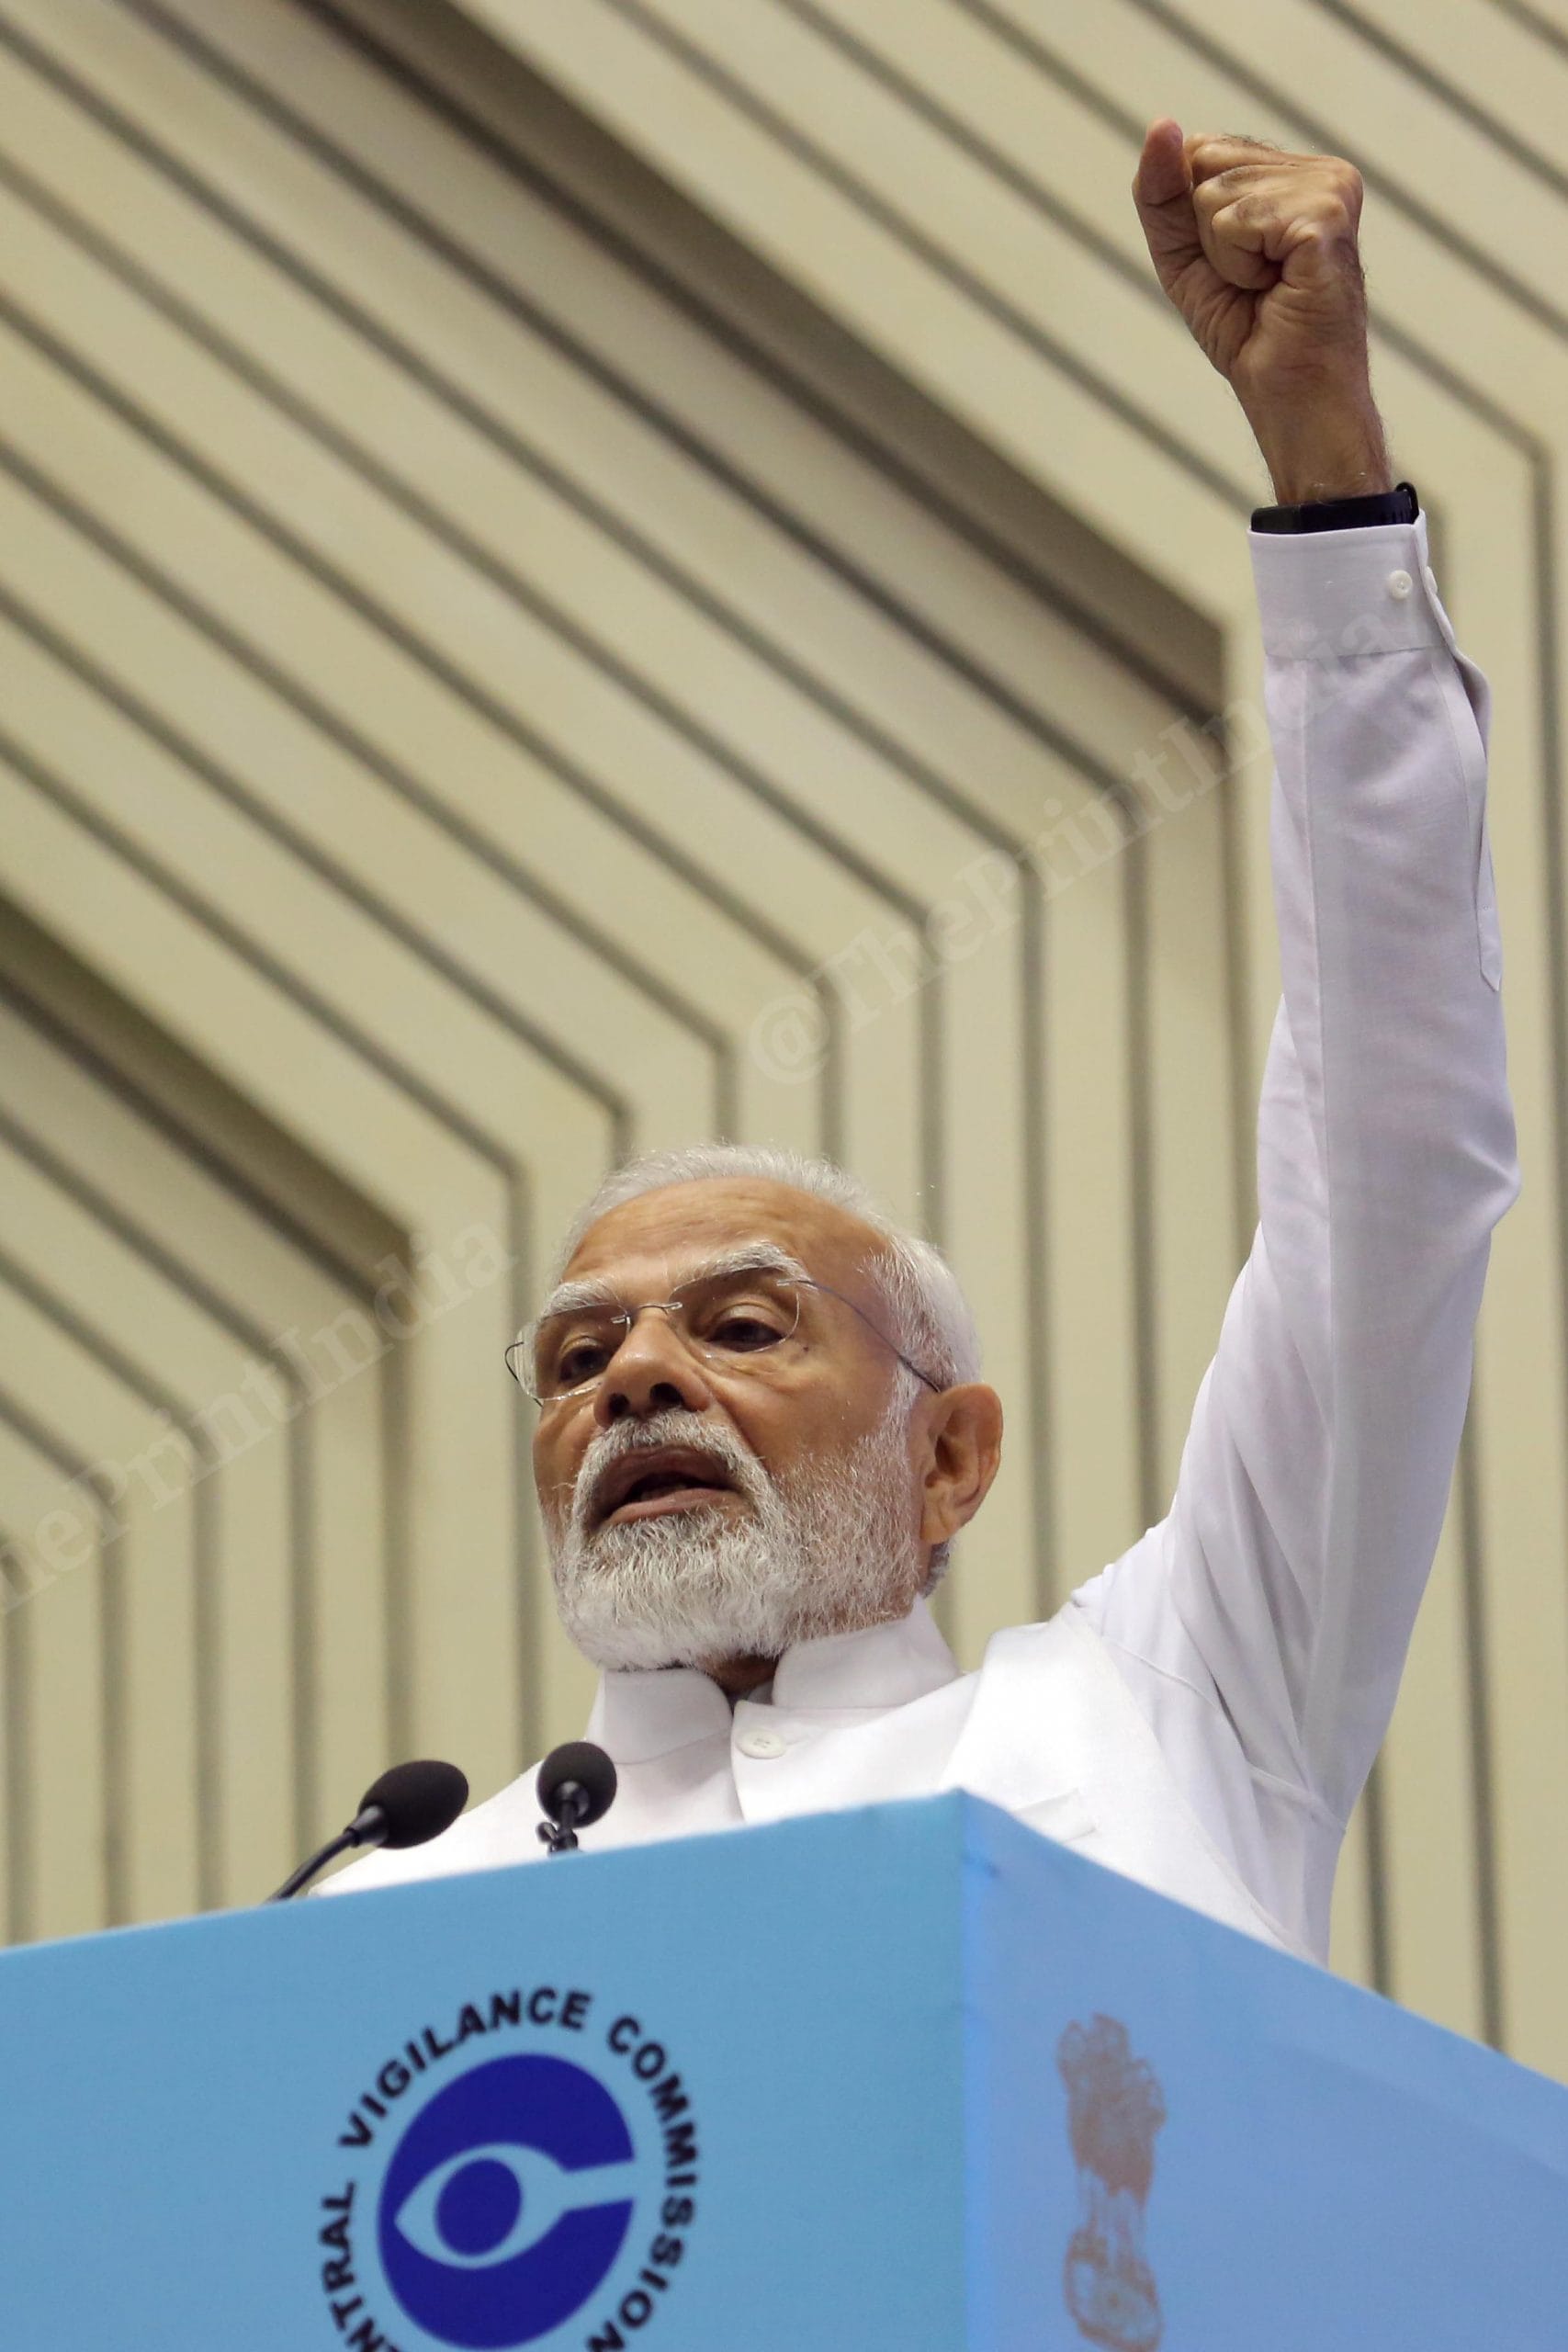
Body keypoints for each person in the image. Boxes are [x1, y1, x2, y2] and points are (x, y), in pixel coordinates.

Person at [324, 122, 1517, 1962]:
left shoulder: (1164, 1713)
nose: (629, 1378)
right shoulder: (388, 1909)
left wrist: (1329, 482)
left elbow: (1390, 1163)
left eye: (735, 1323)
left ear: (944, 1457)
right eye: (574, 1355)